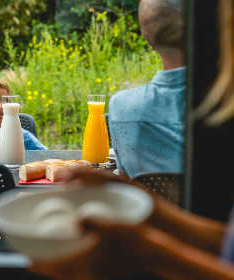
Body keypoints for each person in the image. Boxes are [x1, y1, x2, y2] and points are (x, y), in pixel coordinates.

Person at [29, 0, 234, 279]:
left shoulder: (123, 107)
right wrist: (155, 213)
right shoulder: (216, 103)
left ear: (147, 33)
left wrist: (153, 250)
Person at [108, 0, 186, 179]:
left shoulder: (121, 107)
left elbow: (128, 189)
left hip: (149, 208)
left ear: (147, 34)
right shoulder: (224, 101)